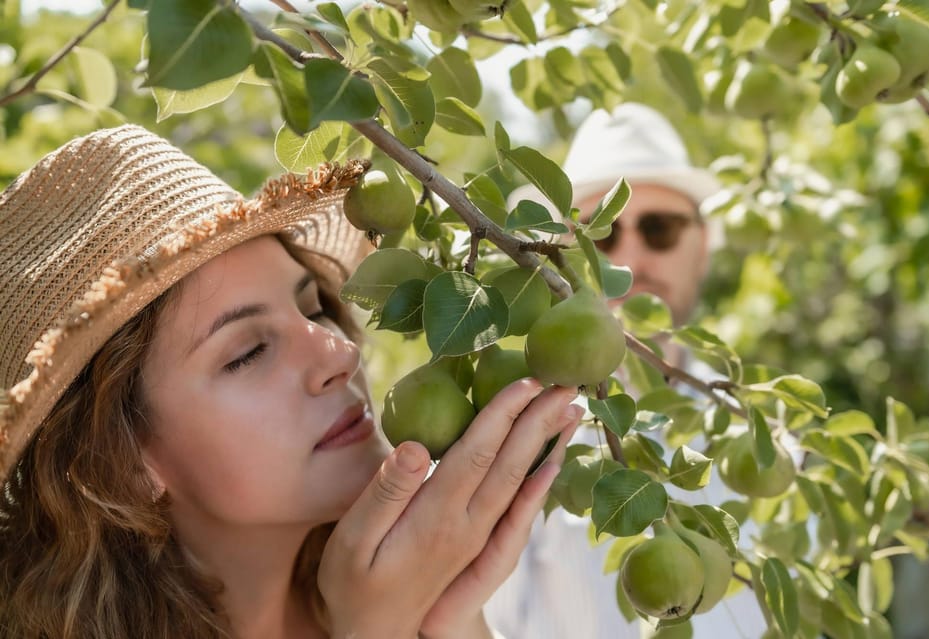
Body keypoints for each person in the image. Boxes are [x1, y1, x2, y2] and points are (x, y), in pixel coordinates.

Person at [0, 124, 586, 639]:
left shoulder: (403, 585)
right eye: (249, 353)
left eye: (313, 310)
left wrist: (454, 617)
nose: (339, 353)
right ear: (122, 456)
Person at [484, 103, 769, 638]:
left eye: (660, 229)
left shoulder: (763, 440)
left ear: (703, 246)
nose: (630, 259)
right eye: (603, 235)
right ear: (561, 252)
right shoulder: (517, 439)